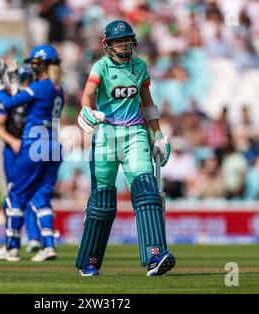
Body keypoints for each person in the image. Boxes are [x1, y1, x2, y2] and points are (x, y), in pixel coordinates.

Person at [76, 20, 175, 276]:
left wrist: (159, 135)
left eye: (127, 40)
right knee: (102, 203)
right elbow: (88, 93)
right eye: (118, 41)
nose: (124, 45)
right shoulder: (101, 66)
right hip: (106, 133)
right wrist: (87, 110)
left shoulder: (140, 66)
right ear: (106, 44)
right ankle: (89, 261)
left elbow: (148, 103)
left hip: (134, 134)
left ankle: (156, 257)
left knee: (147, 191)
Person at [0, 45, 64, 262]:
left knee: (16, 195)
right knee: (42, 196)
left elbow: (9, 103)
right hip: (54, 143)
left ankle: (11, 248)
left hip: (35, 142)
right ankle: (48, 245)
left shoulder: (41, 86)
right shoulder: (59, 88)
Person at [0, 64, 42, 259]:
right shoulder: (12, 99)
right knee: (17, 192)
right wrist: (12, 141)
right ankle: (16, 240)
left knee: (30, 193)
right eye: (23, 79)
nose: (26, 83)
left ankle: (33, 239)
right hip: (14, 151)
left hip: (32, 149)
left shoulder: (35, 97)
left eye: (28, 79)